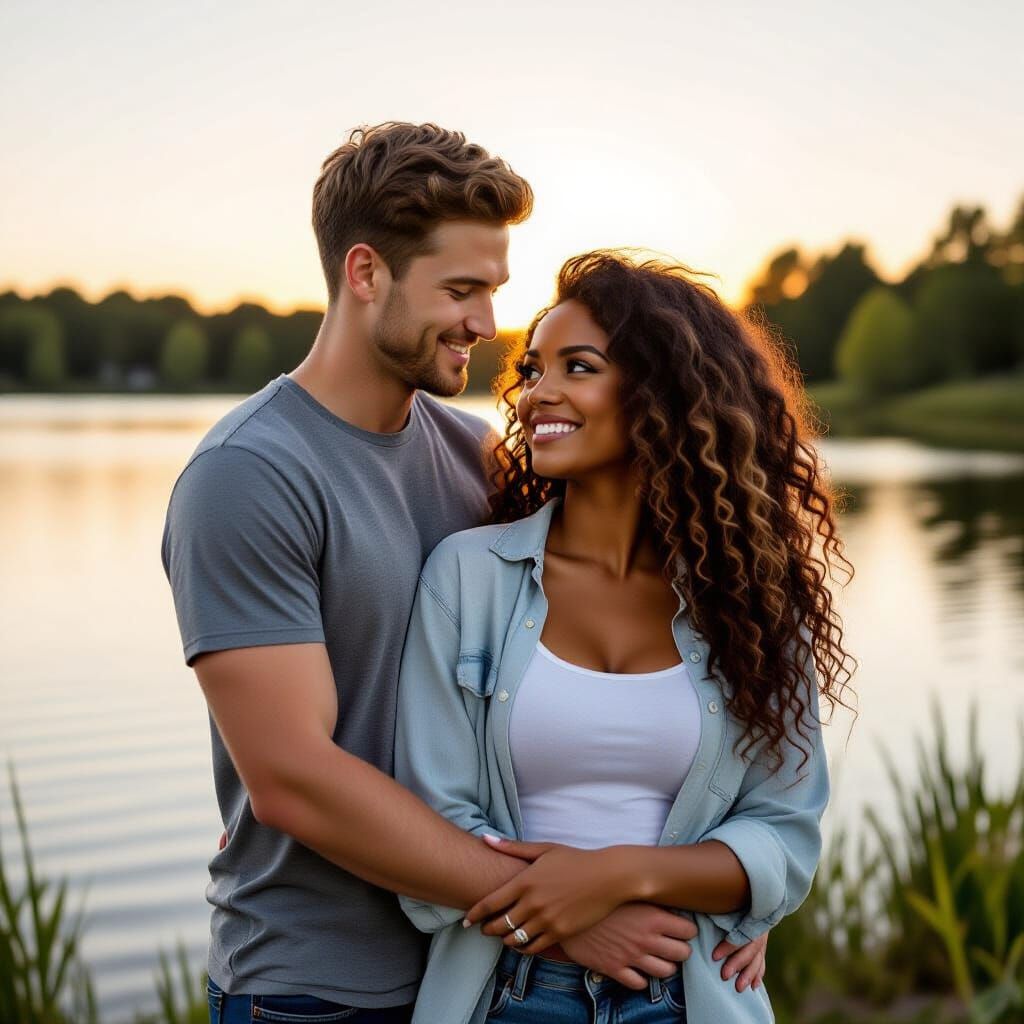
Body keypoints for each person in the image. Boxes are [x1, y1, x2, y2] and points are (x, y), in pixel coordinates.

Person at [162, 125, 765, 1024]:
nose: (487, 324)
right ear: (365, 274)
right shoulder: (249, 474)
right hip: (320, 983)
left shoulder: (472, 454)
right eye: (461, 289)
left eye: (493, 290)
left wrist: (736, 889)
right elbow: (292, 777)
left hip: (475, 975)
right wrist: (566, 920)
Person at [394, 251, 855, 1022]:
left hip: (694, 992)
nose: (539, 390)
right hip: (505, 991)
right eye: (533, 368)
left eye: (578, 367)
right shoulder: (467, 578)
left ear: (663, 393)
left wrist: (615, 877)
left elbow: (783, 835)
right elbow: (433, 824)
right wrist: (581, 924)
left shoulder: (753, 602)